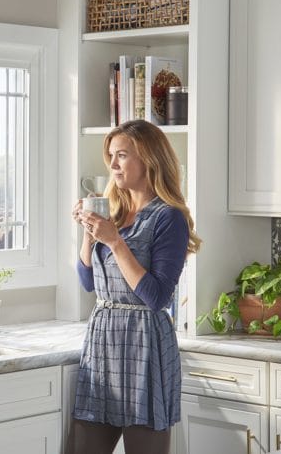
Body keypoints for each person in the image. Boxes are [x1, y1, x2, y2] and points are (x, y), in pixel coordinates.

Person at [68, 120, 201, 454]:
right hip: (103, 343)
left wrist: (115, 242)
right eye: (111, 156)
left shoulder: (169, 218)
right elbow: (88, 283)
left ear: (149, 160)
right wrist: (89, 233)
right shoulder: (114, 211)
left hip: (145, 344)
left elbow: (157, 297)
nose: (113, 164)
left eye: (122, 155)